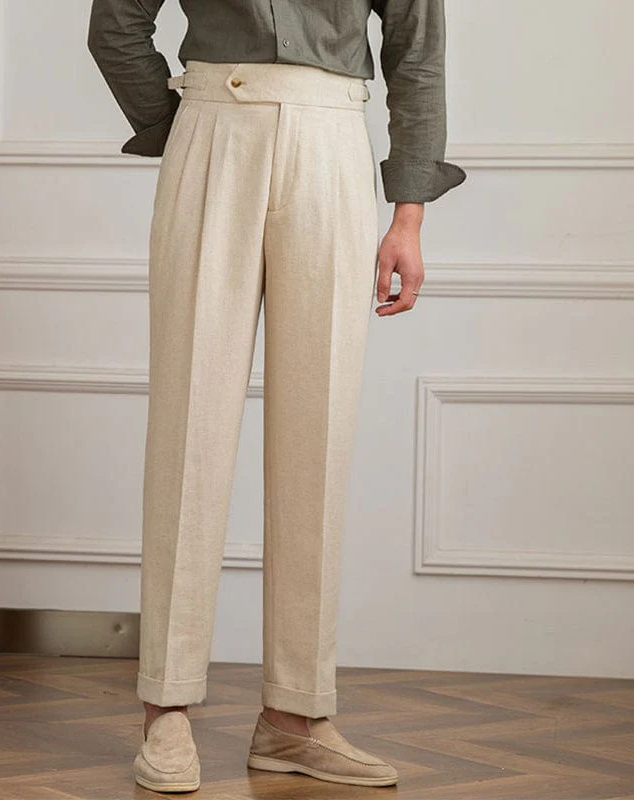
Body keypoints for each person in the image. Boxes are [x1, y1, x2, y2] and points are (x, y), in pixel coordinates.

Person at [87, 0, 466, 792]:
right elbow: (115, 23)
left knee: (317, 433)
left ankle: (297, 717)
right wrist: (182, 123)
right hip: (212, 130)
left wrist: (409, 216)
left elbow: (416, 51)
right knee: (190, 425)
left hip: (332, 139)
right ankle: (166, 708)